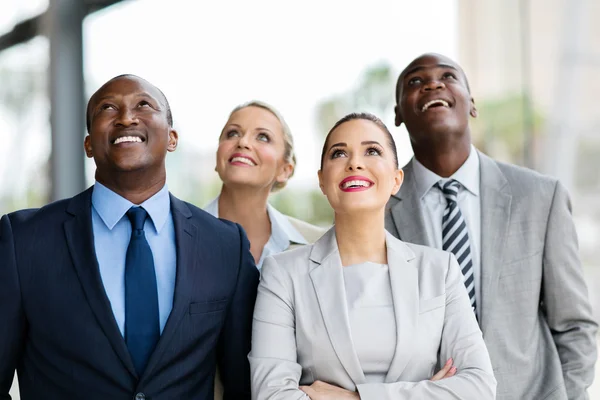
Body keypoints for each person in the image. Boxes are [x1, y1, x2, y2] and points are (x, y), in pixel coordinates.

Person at [0, 74, 258, 400]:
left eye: (143, 105)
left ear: (172, 137)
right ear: (89, 143)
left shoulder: (225, 245)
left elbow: (244, 385)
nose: (126, 117)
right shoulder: (24, 240)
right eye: (108, 108)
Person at [386, 53, 598, 400]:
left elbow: (574, 326)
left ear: (472, 104)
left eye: (449, 76)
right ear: (398, 112)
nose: (433, 84)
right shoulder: (377, 210)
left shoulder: (540, 197)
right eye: (414, 81)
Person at [249, 112, 496, 399]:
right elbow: (271, 395)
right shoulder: (282, 274)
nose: (355, 163)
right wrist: (430, 390)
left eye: (372, 151)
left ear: (396, 179)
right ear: (322, 180)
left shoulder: (440, 270)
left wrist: (356, 398)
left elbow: (479, 388)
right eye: (339, 153)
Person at [205, 100, 326, 270]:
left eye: (263, 137)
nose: (243, 142)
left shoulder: (318, 245)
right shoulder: (179, 233)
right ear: (218, 157)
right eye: (232, 134)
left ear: (285, 170)